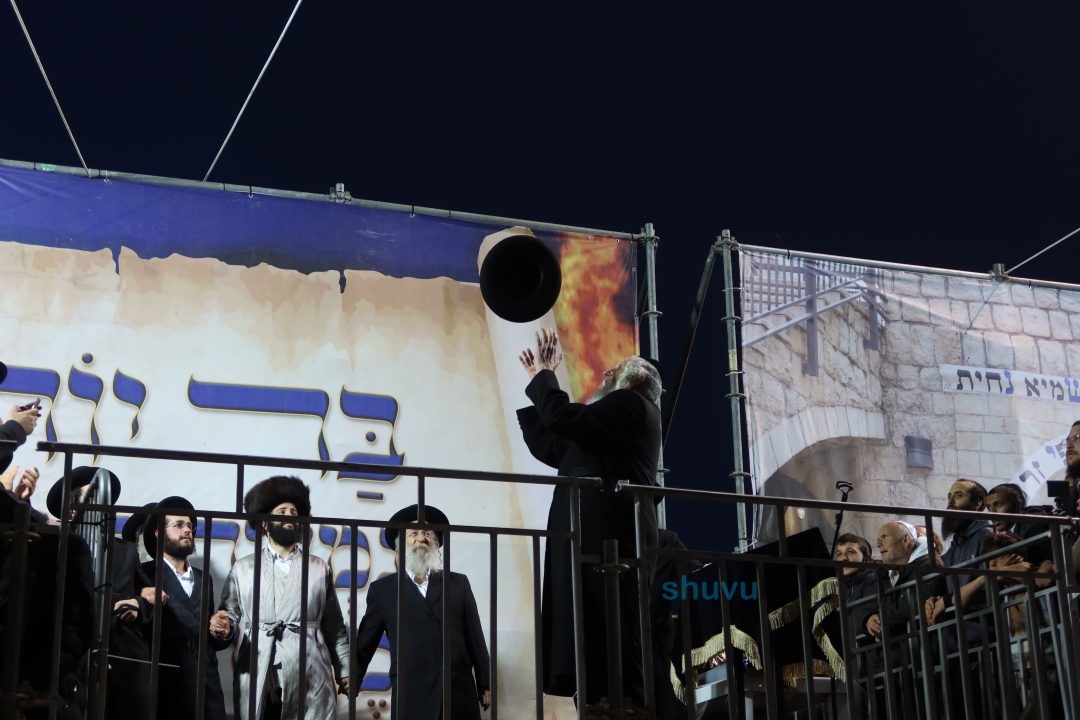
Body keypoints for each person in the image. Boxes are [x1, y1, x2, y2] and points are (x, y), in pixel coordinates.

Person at [516, 327, 662, 709]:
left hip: (610, 534)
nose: (605, 374)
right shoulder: (609, 426)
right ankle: (598, 698)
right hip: (595, 531)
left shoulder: (631, 404)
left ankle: (621, 703)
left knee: (609, 623)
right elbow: (556, 448)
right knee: (588, 625)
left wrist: (545, 380)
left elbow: (564, 418)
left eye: (615, 371)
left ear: (635, 380)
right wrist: (539, 381)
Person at [214, 476, 350, 720]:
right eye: (282, 511)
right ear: (265, 523)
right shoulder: (244, 568)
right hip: (259, 669)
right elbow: (229, 615)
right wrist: (223, 627)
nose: (289, 516)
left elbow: (335, 628)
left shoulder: (319, 567)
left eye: (294, 512)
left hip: (309, 670)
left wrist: (346, 669)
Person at [353, 504, 491, 720]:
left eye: (427, 533)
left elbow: (476, 638)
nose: (421, 539)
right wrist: (352, 675)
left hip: (457, 692)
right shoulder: (384, 590)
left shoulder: (458, 583)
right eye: (413, 533)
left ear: (436, 543)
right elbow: (365, 641)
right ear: (399, 546)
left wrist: (485, 681)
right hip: (412, 694)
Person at [45, 466, 158, 720]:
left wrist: (139, 604)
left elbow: (148, 597)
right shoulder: (58, 550)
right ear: (70, 509)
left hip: (123, 668)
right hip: (73, 668)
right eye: (87, 498)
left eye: (100, 500)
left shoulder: (127, 551)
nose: (99, 507)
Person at [142, 495, 228, 720]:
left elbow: (208, 636)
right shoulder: (144, 574)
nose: (187, 530)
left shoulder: (204, 578)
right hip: (166, 687)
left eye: (190, 525)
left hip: (208, 688)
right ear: (159, 533)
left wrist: (220, 630)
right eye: (179, 525)